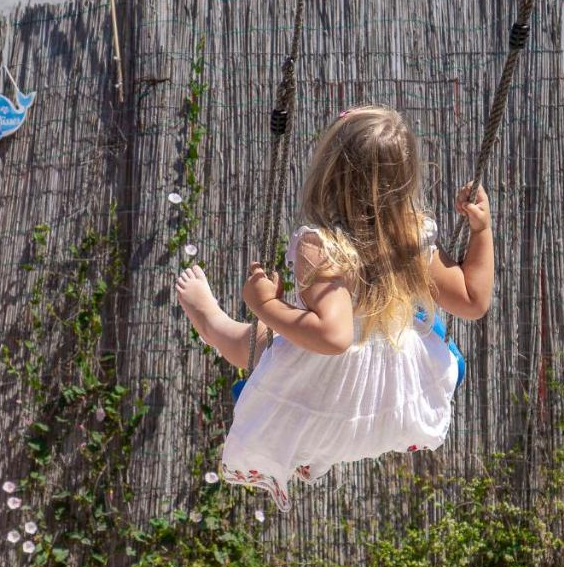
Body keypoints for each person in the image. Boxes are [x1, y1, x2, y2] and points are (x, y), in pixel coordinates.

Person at [175, 105, 493, 511]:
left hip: (332, 394)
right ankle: (228, 324)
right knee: (379, 325)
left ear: (329, 172)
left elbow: (334, 336)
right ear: (407, 177)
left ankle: (212, 320)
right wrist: (481, 231)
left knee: (262, 342)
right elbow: (472, 300)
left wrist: (265, 303)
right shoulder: (410, 234)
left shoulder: (320, 246)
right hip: (396, 395)